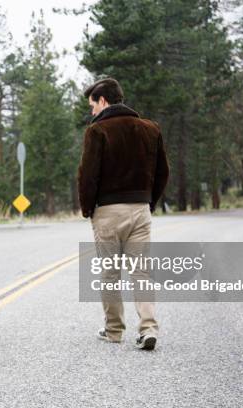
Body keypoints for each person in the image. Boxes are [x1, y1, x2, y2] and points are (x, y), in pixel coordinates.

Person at [77, 78, 169, 350]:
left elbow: (87, 176)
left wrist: (87, 209)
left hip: (107, 211)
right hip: (140, 209)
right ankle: (149, 327)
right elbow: (164, 172)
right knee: (141, 272)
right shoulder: (150, 129)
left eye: (92, 105)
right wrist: (148, 201)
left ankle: (114, 330)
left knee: (110, 273)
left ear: (103, 101)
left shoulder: (97, 131)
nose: (92, 111)